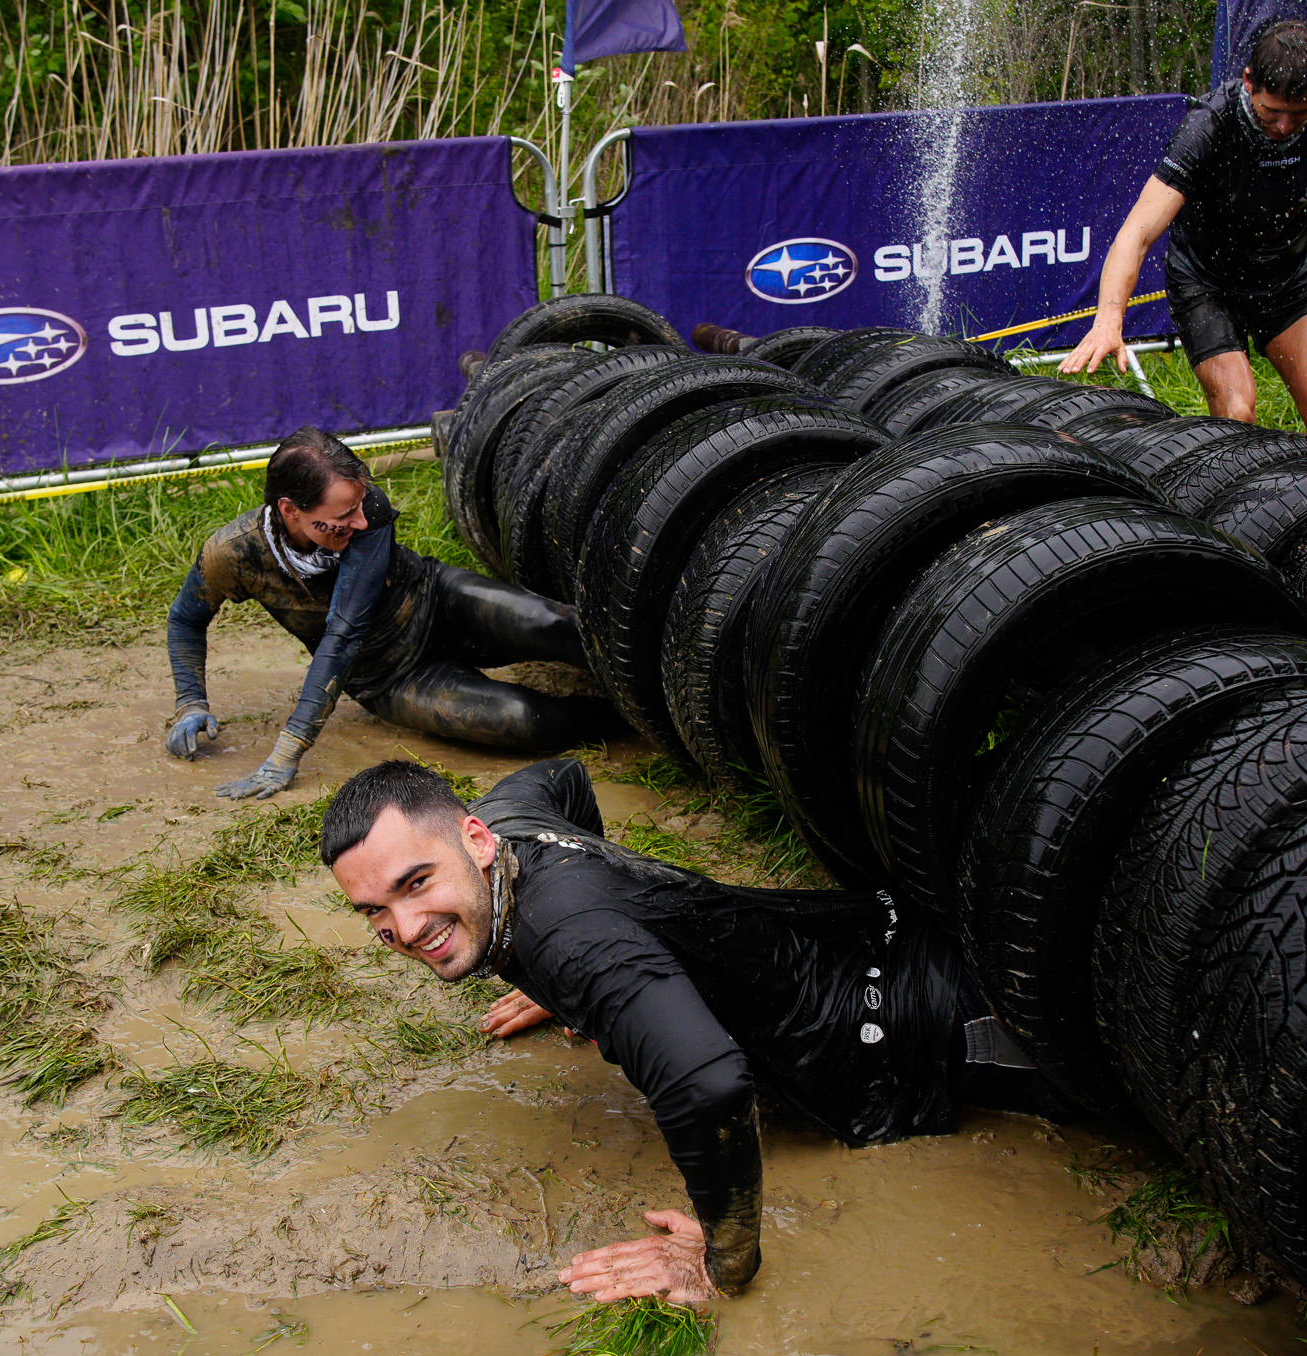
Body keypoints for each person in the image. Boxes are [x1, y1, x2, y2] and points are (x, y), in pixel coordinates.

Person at [320, 758, 1042, 1301]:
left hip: (934, 1021)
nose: (404, 928)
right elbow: (564, 777)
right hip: (873, 933)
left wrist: (721, 1262)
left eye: (417, 883)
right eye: (374, 910)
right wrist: (579, 979)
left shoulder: (574, 943)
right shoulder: (507, 821)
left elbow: (709, 1083)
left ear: (475, 839)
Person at [163, 427, 614, 800]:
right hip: (390, 677)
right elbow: (185, 619)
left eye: (360, 504)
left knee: (558, 625)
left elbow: (345, 625)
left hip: (435, 600)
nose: (361, 521)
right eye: (344, 514)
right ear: (290, 511)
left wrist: (288, 749)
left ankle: (641, 685)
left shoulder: (367, 508)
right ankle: (622, 717)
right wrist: (191, 702)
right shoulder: (233, 553)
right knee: (523, 719)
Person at [1062, 21, 1307, 443]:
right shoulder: (1209, 125)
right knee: (1237, 411)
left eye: (1300, 115)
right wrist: (1109, 318)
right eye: (1271, 112)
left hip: (1287, 276)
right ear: (1248, 82)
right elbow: (1137, 232)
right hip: (1206, 283)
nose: (1283, 126)